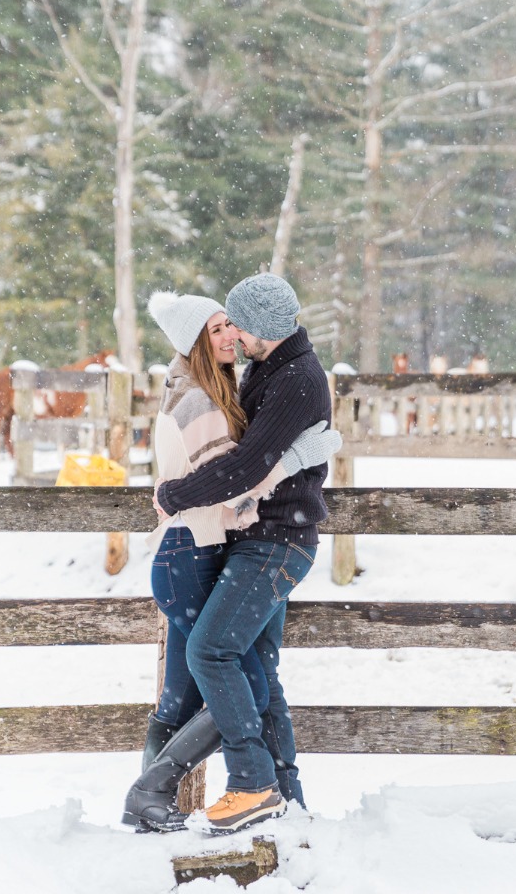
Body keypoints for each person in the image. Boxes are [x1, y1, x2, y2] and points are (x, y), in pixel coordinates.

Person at [121, 291, 340, 833]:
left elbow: (243, 468)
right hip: (197, 549)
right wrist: (297, 456)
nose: (232, 337)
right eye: (219, 329)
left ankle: (253, 790)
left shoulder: (286, 378)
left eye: (235, 326)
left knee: (219, 667)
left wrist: (292, 457)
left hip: (256, 543)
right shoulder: (214, 390)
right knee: (225, 670)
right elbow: (239, 476)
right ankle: (258, 791)